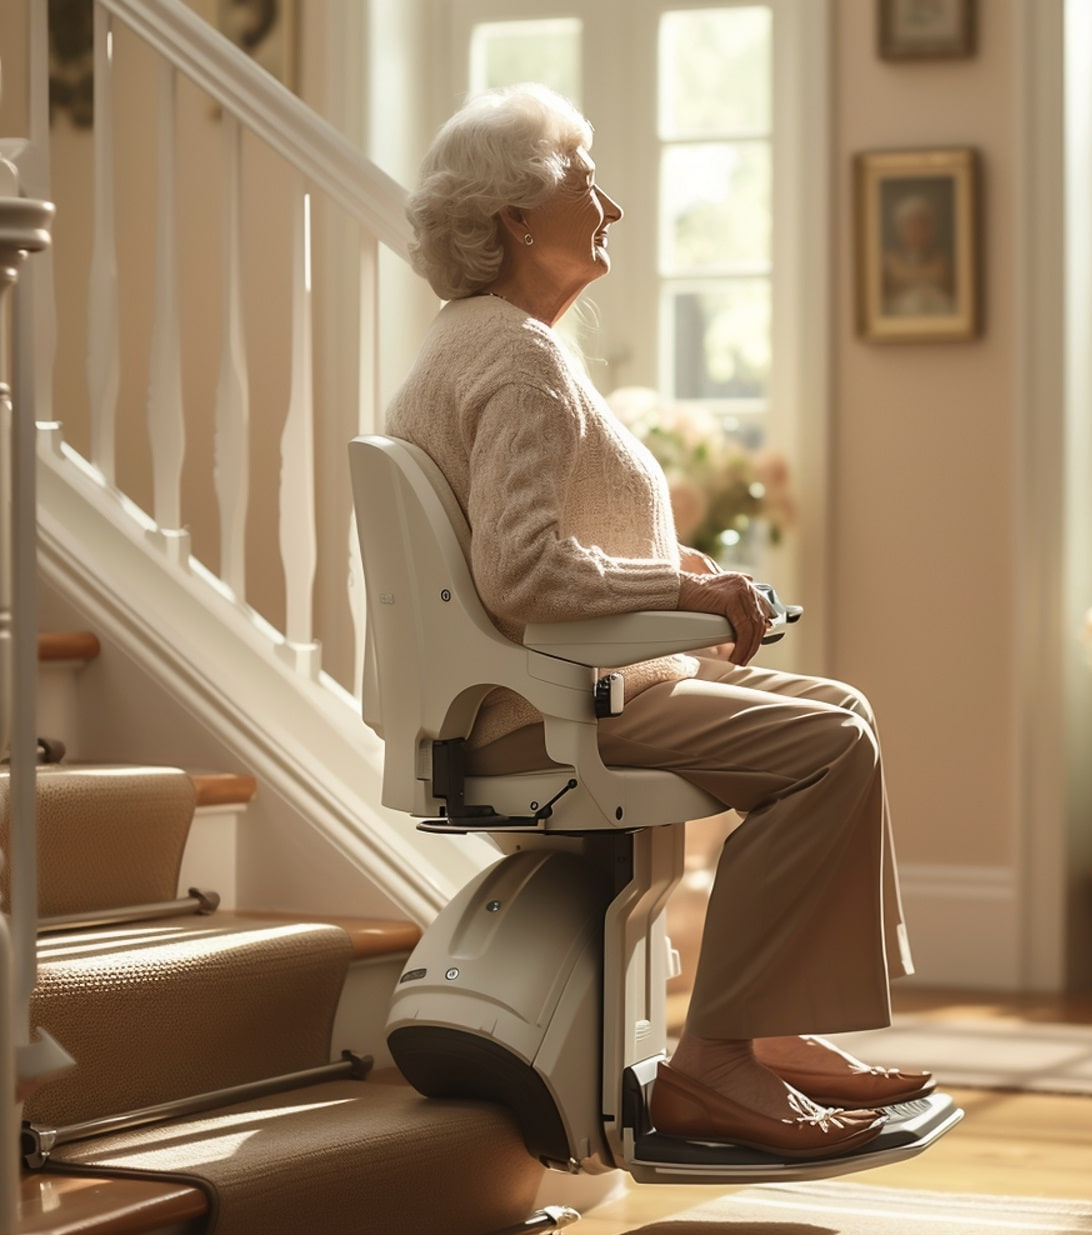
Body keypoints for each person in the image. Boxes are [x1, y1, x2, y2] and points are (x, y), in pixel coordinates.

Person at [385, 84, 928, 1161]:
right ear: (515, 217)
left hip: (560, 684)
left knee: (841, 711)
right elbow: (522, 567)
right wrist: (688, 595)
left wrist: (673, 570)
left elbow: (531, 539)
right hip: (544, 709)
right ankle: (714, 1060)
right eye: (587, 183)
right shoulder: (519, 361)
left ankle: (762, 1026)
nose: (612, 209)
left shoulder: (481, 343)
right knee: (827, 746)